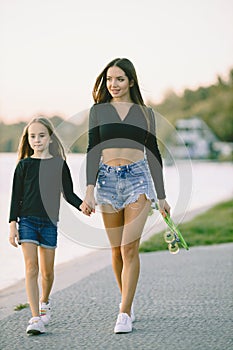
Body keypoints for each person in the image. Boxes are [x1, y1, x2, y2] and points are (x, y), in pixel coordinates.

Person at [80, 58, 170, 333]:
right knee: (117, 250)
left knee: (130, 247)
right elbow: (93, 148)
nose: (113, 85)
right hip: (106, 180)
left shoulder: (145, 113)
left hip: (138, 180)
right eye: (109, 79)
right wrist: (89, 189)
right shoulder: (98, 111)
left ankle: (123, 313)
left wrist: (162, 196)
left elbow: (153, 153)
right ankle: (127, 302)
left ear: (131, 81)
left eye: (119, 79)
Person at [9, 117, 83, 335]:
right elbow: (16, 198)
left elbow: (68, 194)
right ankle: (35, 318)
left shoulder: (59, 164)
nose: (37, 140)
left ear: (50, 138)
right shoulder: (23, 165)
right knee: (32, 268)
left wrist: (84, 206)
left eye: (41, 135)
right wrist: (13, 225)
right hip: (27, 222)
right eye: (32, 136)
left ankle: (44, 302)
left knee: (48, 273)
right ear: (28, 139)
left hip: (49, 223)